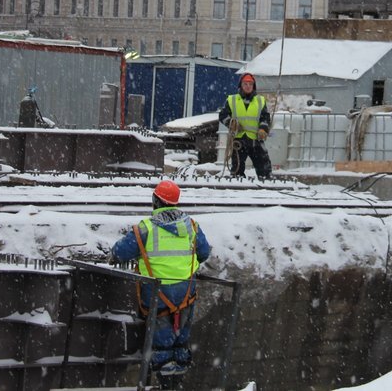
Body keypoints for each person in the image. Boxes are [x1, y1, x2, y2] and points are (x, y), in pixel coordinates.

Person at [112, 180, 211, 378]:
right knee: (180, 338)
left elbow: (120, 252)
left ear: (155, 201)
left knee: (161, 338)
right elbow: (204, 252)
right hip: (186, 291)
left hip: (157, 292)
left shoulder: (146, 228)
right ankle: (179, 371)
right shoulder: (191, 226)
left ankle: (162, 374)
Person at [218, 72, 273, 179]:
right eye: (245, 84)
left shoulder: (260, 101)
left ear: (253, 86)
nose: (248, 86)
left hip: (255, 139)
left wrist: (263, 128)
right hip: (239, 139)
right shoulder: (232, 100)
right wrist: (231, 123)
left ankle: (266, 184)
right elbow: (223, 115)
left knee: (264, 166)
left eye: (250, 84)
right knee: (237, 169)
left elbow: (265, 117)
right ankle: (237, 187)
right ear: (241, 85)